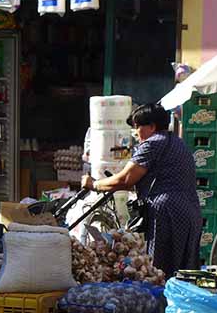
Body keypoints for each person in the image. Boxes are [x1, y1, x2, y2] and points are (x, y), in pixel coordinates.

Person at [81, 103, 202, 277]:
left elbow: (125, 179)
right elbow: (137, 179)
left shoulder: (152, 144)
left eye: (138, 127)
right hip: (190, 212)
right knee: (183, 272)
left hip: (167, 214)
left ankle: (159, 303)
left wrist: (94, 184)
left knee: (159, 271)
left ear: (152, 126)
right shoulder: (176, 142)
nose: (136, 133)